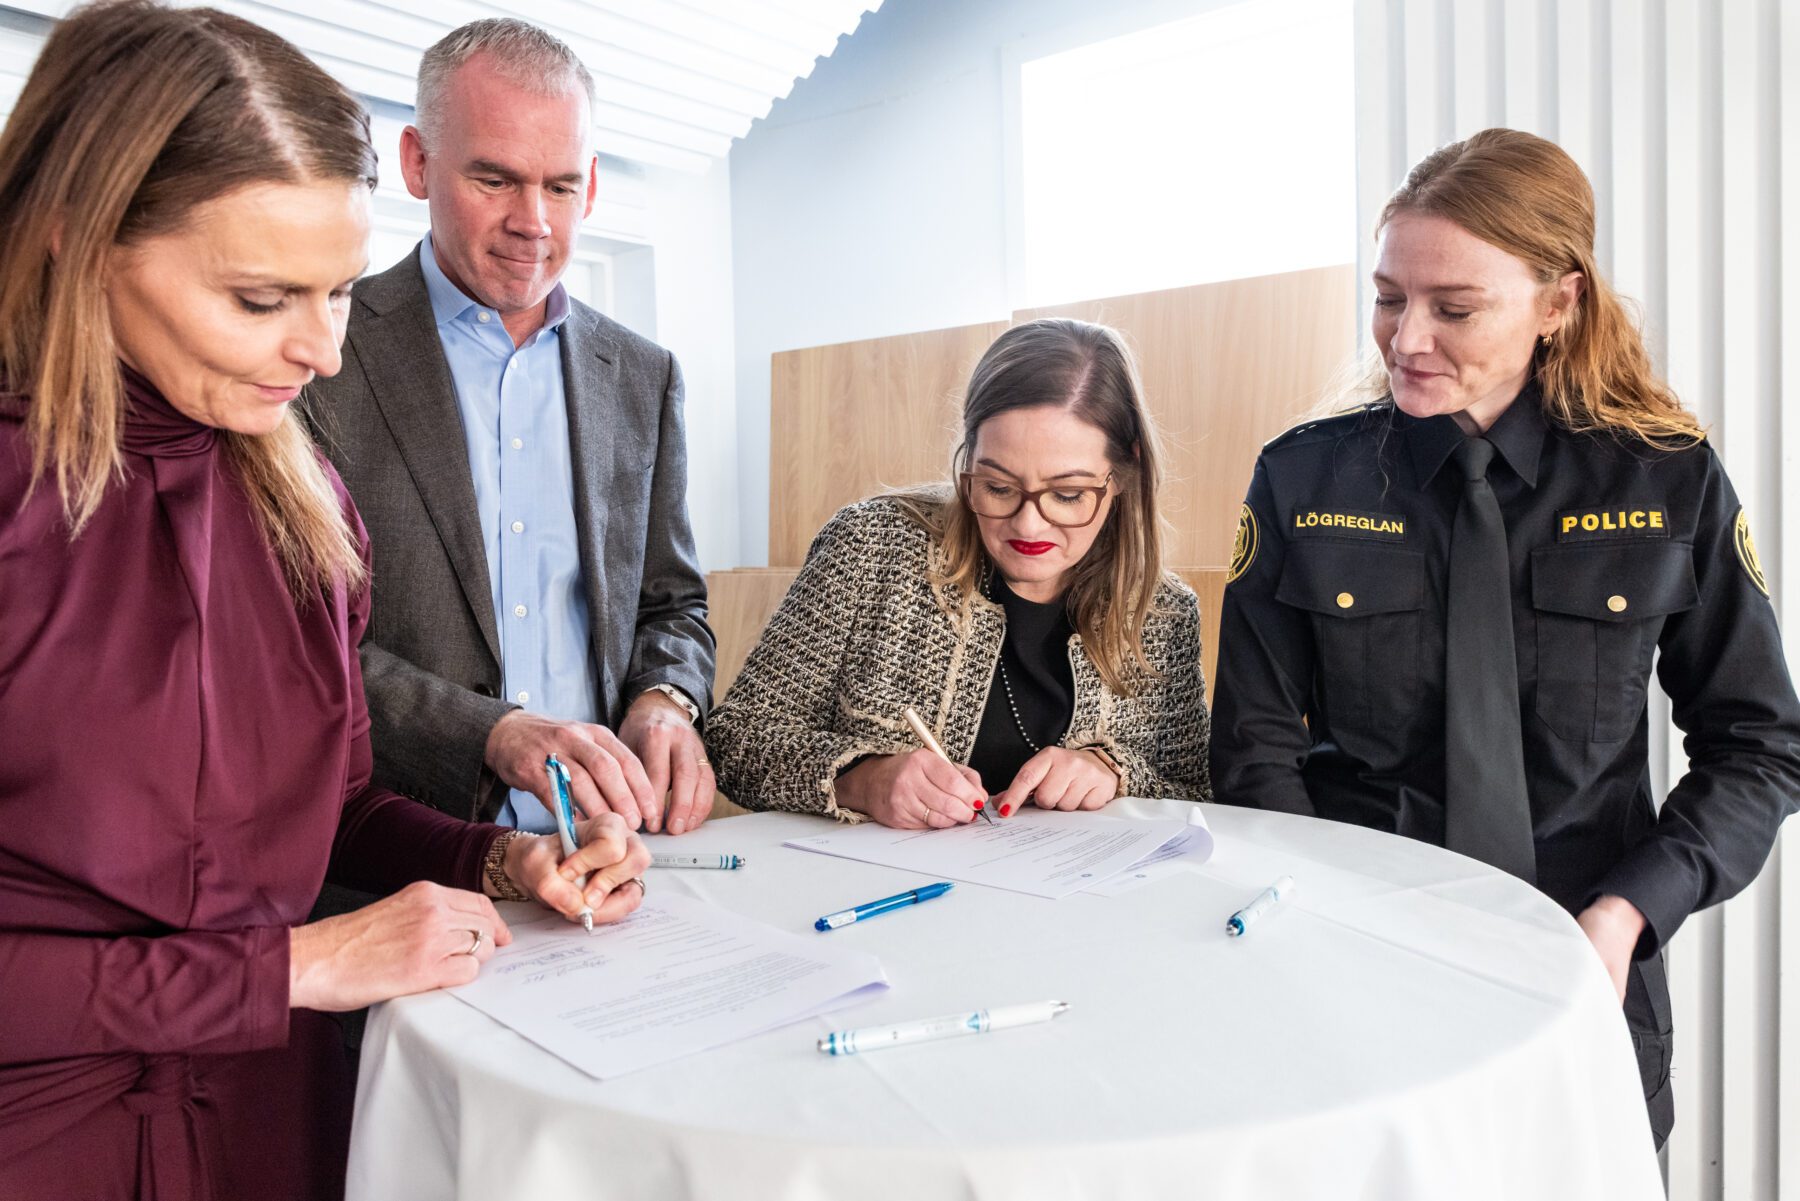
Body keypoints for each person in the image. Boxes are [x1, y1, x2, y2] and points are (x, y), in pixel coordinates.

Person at [0, 5, 649, 1197]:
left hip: (282, 1117)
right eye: (262, 299)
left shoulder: (303, 501)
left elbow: (330, 816)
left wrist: (505, 858)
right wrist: (289, 968)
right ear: (77, 242)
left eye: (340, 291)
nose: (324, 353)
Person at [1208, 127, 1800, 1149]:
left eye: (1455, 308)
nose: (1407, 338)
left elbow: (1759, 744)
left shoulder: (1665, 479)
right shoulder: (1303, 481)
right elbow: (1254, 748)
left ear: (1558, 303)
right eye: (1388, 297)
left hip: (1583, 970)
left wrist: (1626, 913)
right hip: (1356, 968)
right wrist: (1326, 919)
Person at [306, 19, 716, 839]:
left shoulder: (644, 376)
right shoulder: (317, 358)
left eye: (560, 187)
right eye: (494, 179)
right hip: (398, 861)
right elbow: (299, 643)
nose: (534, 222)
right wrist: (489, 734)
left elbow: (672, 603)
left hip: (610, 853)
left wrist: (666, 698)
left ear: (589, 187)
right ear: (417, 163)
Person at [708, 318, 1211, 827]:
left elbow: (1197, 793)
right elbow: (738, 739)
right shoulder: (872, 546)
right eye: (997, 487)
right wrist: (862, 780)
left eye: (1066, 494)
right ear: (969, 457)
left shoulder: (1162, 613)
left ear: (1124, 472)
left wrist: (1114, 772)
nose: (1028, 523)